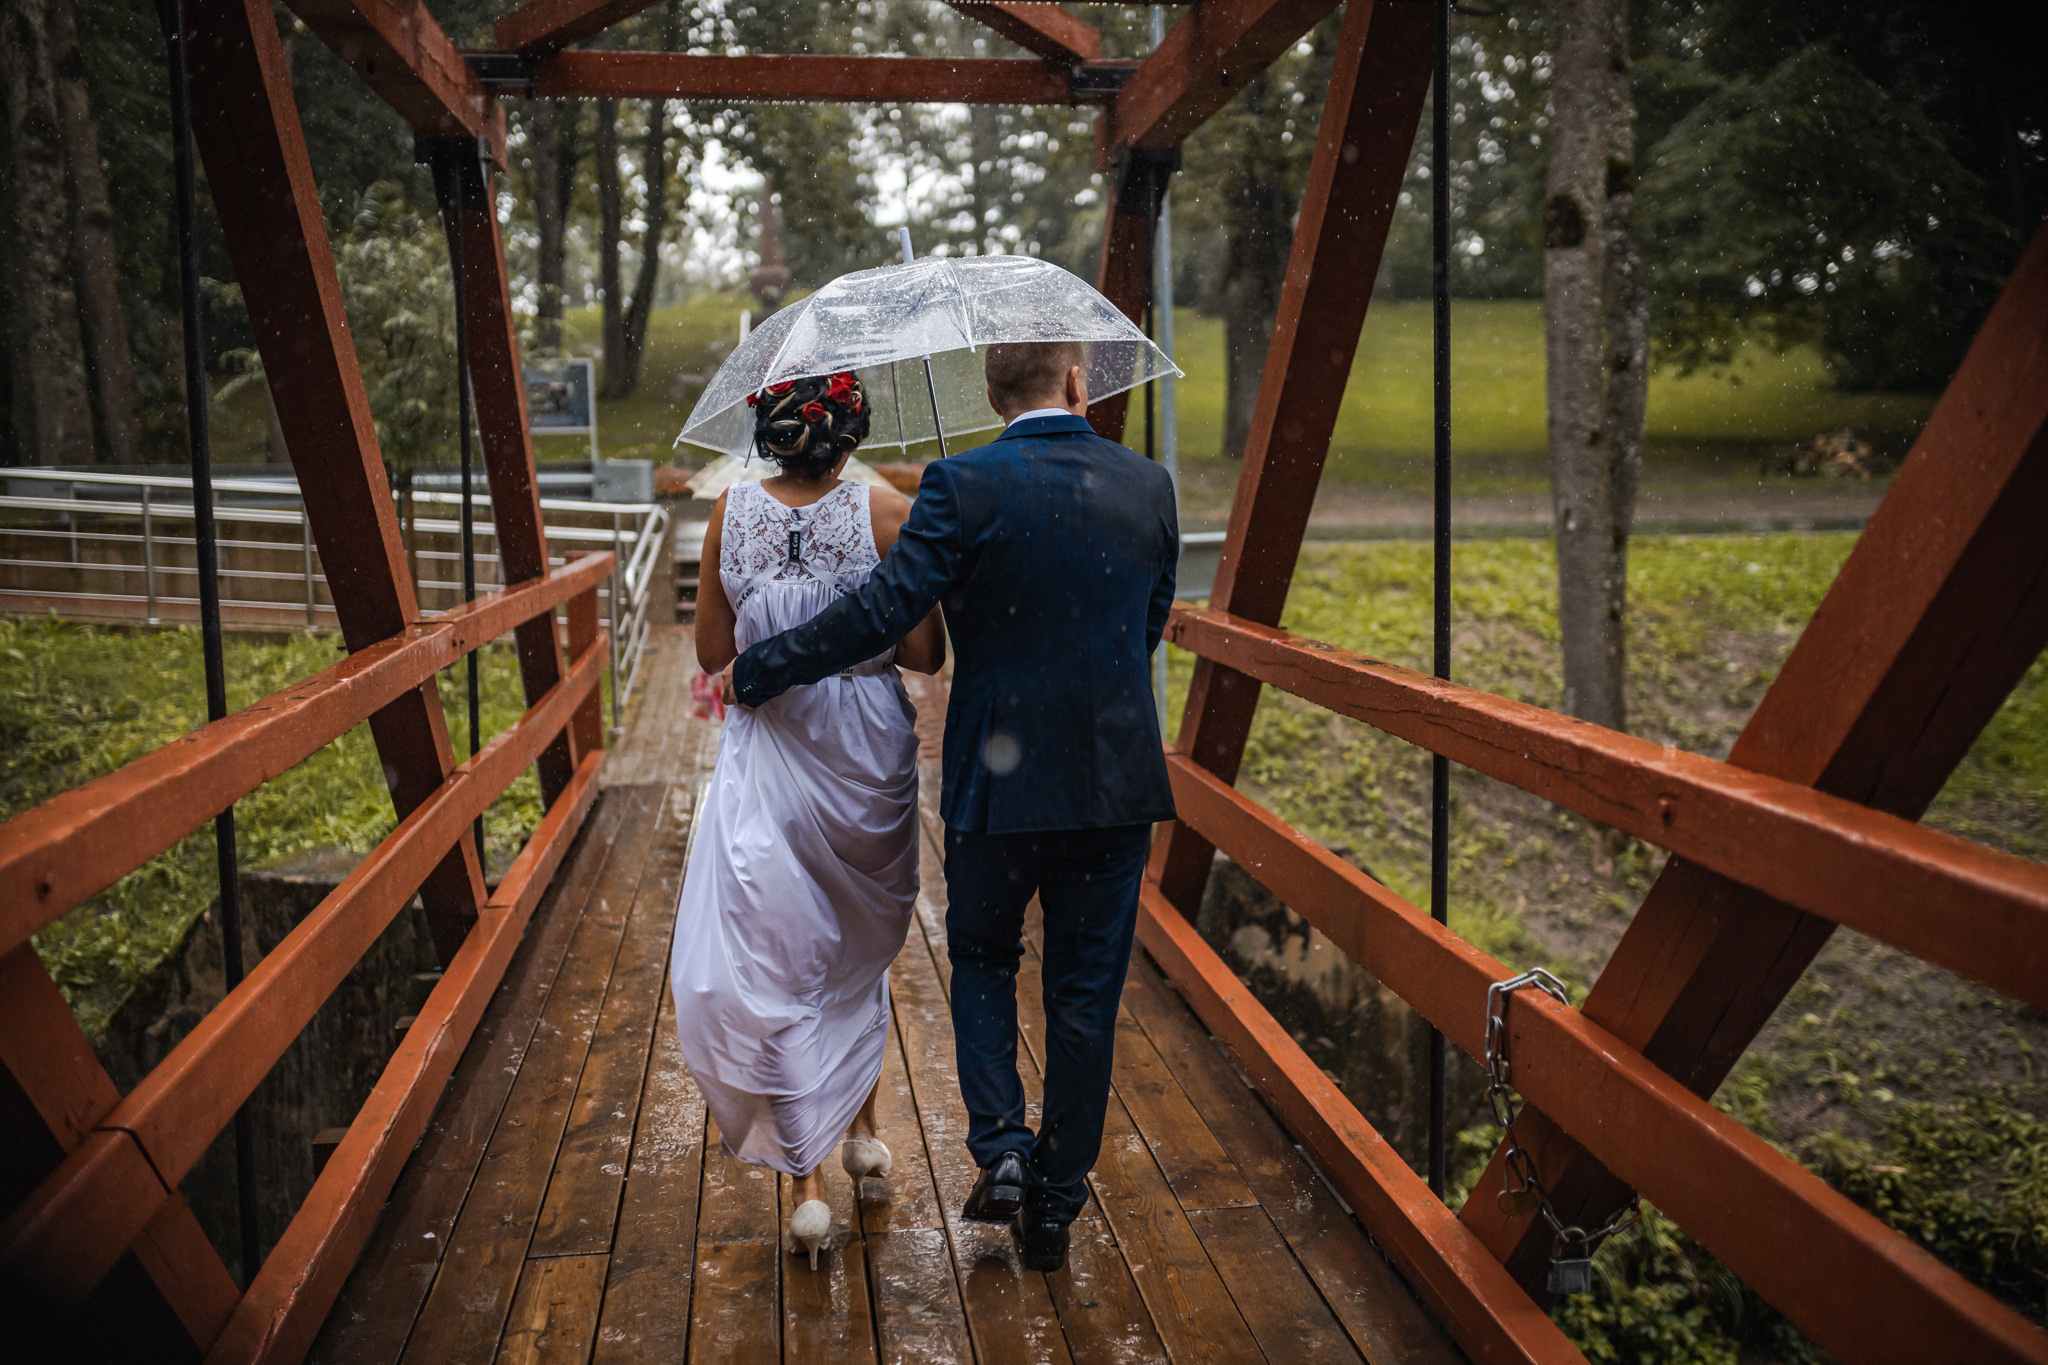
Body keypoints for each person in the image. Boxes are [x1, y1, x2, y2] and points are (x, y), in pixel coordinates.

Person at [719, 340, 1178, 1273]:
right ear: (1079, 381)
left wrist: (761, 665)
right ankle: (1055, 1201)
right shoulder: (1148, 485)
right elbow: (1150, 620)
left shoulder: (961, 486)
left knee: (981, 956)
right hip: (1112, 782)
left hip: (994, 780)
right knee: (1084, 994)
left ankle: (1002, 1147)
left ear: (990, 391)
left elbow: (886, 612)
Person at [671, 370, 947, 1270]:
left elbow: (715, 652)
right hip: (864, 755)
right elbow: (925, 652)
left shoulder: (729, 517)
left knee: (783, 953)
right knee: (852, 946)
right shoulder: (890, 513)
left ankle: (809, 1182)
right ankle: (858, 1134)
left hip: (771, 751)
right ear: (851, 431)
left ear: (770, 434)